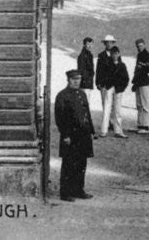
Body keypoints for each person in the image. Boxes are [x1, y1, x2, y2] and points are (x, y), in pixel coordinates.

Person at [54, 69, 95, 202]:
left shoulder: (82, 94)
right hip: (70, 136)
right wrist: (65, 135)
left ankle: (78, 190)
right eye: (74, 79)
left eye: (78, 79)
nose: (76, 81)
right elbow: (59, 118)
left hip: (83, 135)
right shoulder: (62, 96)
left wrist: (92, 131)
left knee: (81, 164)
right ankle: (65, 193)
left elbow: (87, 113)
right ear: (68, 80)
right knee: (69, 164)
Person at [131, 39, 149, 134]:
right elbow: (137, 69)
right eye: (138, 46)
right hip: (138, 81)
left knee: (145, 104)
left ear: (144, 45)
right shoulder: (139, 55)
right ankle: (140, 125)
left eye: (141, 46)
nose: (139, 47)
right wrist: (134, 82)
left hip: (144, 82)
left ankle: (145, 126)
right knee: (139, 104)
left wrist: (144, 67)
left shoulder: (148, 55)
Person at [95, 34, 117, 136]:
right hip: (104, 83)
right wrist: (97, 82)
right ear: (104, 44)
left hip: (113, 83)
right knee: (105, 103)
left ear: (113, 43)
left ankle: (112, 122)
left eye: (110, 43)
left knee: (113, 104)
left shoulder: (116, 53)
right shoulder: (101, 55)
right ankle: (106, 123)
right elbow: (98, 70)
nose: (108, 44)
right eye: (107, 43)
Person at [105, 46, 130, 138]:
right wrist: (107, 85)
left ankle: (118, 131)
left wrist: (121, 88)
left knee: (118, 110)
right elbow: (104, 76)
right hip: (110, 87)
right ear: (111, 55)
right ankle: (104, 131)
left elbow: (126, 78)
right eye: (113, 54)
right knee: (107, 109)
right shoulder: (108, 64)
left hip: (118, 89)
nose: (115, 55)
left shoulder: (122, 65)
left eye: (116, 53)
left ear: (119, 54)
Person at [77, 36, 95, 107]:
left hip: (87, 82)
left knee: (85, 101)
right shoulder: (83, 56)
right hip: (85, 83)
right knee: (85, 102)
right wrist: (87, 78)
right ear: (84, 44)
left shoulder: (89, 55)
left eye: (91, 44)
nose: (90, 46)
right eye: (88, 44)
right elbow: (81, 70)